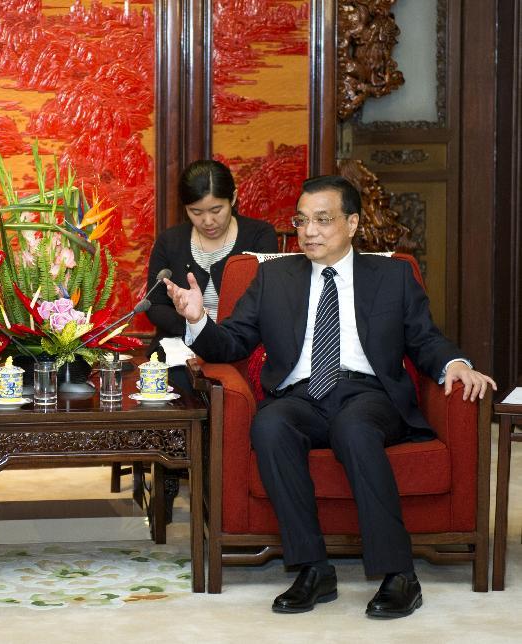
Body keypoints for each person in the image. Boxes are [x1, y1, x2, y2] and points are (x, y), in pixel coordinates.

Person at [164, 175, 496, 618]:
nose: (309, 231)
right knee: (270, 424)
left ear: (353, 223)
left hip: (368, 394)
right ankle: (314, 569)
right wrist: (199, 321)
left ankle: (400, 575)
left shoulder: (392, 275)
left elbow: (425, 339)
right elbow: (233, 344)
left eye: (323, 220)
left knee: (354, 428)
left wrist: (456, 364)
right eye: (302, 221)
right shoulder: (274, 276)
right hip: (301, 395)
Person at [146, 159, 278, 391]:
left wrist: (214, 332)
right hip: (180, 345)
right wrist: (194, 325)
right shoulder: (170, 241)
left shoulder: (260, 236)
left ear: (234, 199)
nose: (207, 221)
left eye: (216, 210)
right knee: (179, 385)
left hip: (241, 345)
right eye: (195, 212)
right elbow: (154, 305)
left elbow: (265, 304)